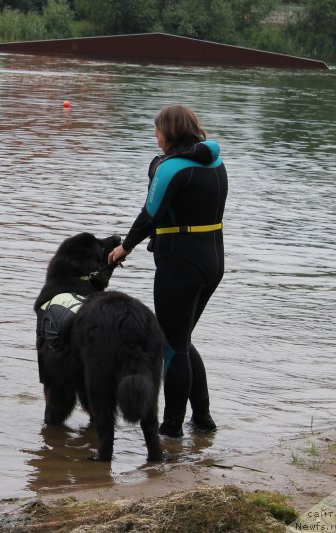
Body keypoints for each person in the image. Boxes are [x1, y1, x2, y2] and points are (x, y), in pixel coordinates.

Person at [108, 105, 227, 438]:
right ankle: (202, 420)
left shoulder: (171, 167)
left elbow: (150, 214)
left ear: (170, 132)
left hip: (181, 262)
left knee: (171, 345)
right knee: (182, 340)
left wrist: (124, 247)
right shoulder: (215, 160)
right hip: (212, 260)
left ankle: (171, 428)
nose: (155, 136)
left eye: (158, 130)